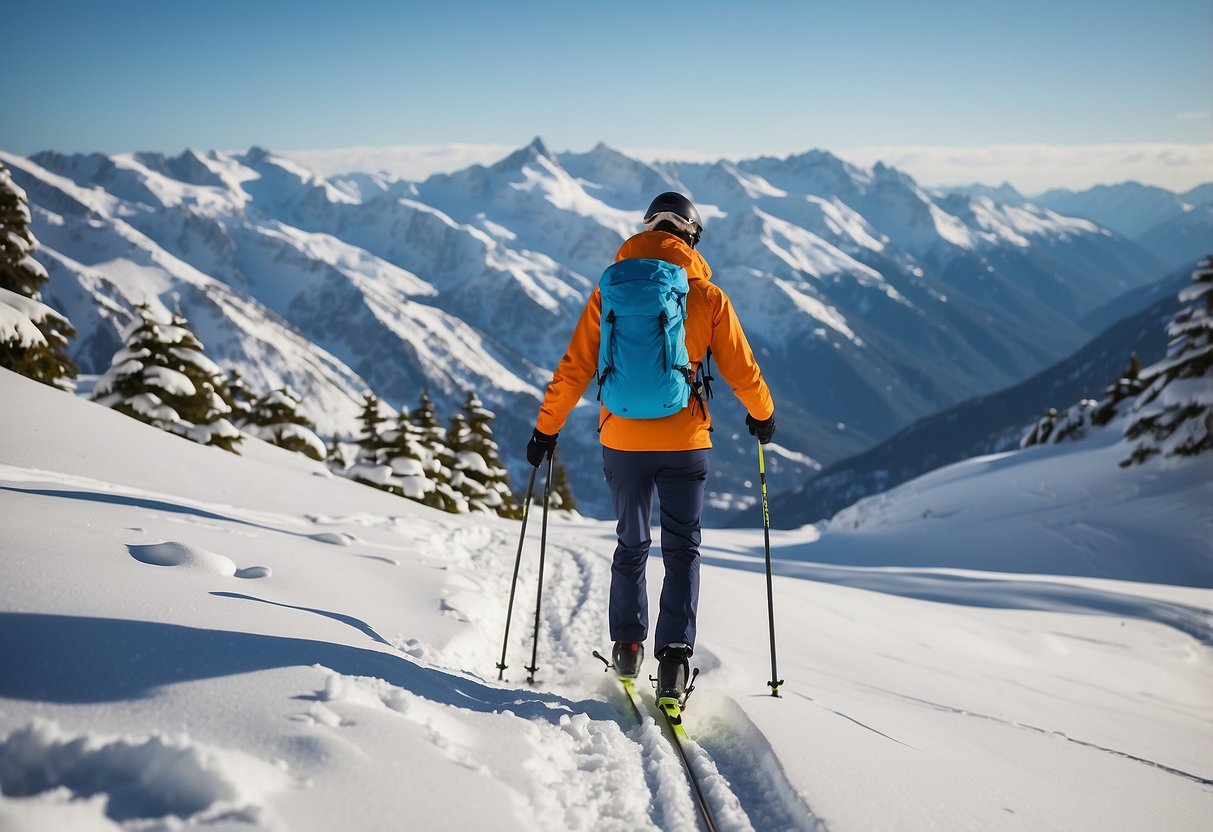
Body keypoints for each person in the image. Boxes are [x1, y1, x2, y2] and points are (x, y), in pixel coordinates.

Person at [526, 192, 775, 706]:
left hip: (621, 440)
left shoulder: (610, 292)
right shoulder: (707, 296)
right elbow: (742, 370)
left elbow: (574, 368)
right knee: (682, 548)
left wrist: (545, 430)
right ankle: (676, 658)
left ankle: (628, 645)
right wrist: (763, 414)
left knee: (631, 545)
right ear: (692, 237)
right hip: (686, 443)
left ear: (646, 231)